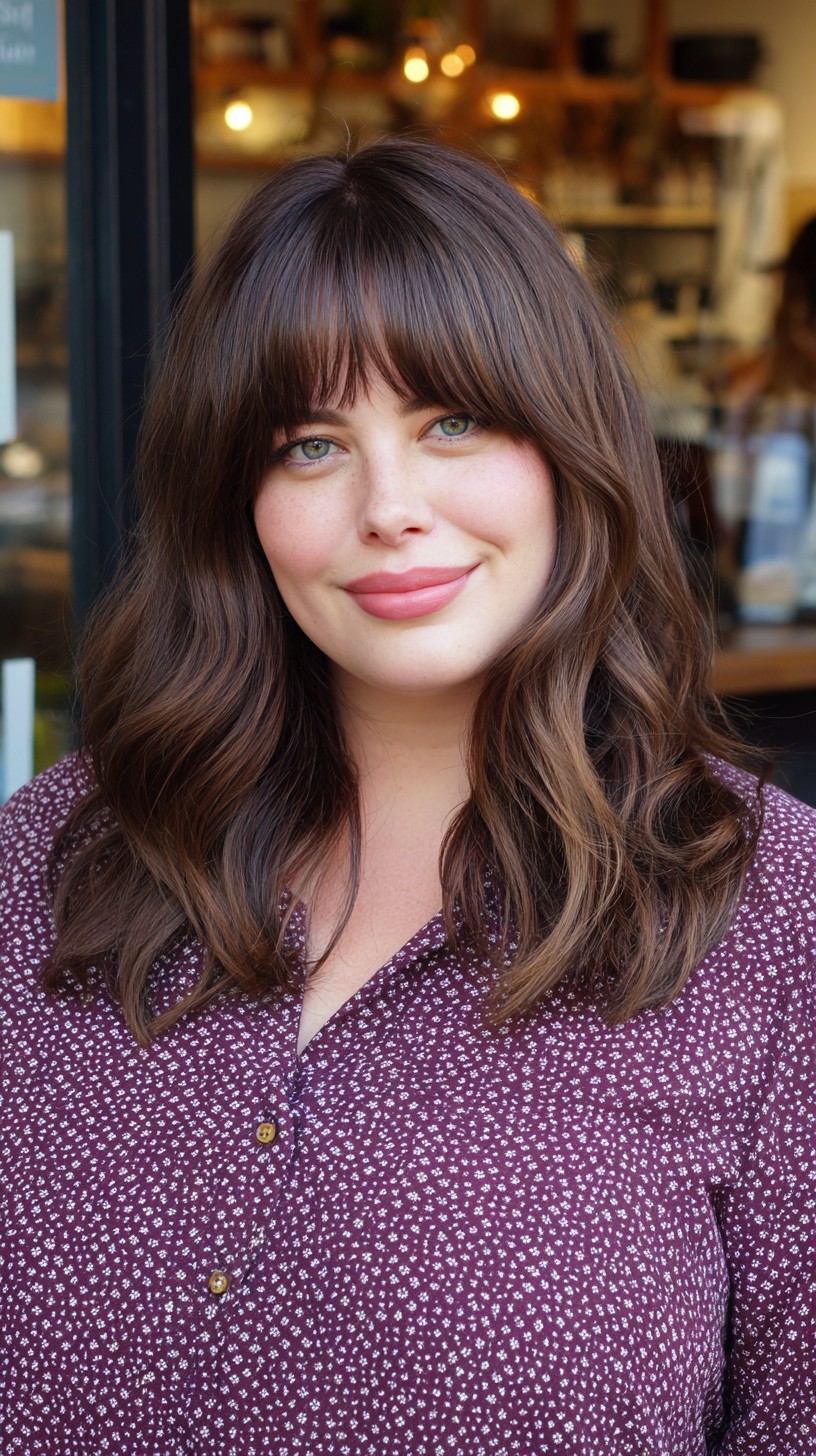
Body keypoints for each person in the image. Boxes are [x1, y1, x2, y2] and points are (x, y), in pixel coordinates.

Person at [1, 136, 814, 1456]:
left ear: (571, 447)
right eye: (311, 446)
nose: (392, 507)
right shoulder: (52, 859)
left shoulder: (772, 918)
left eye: (453, 422)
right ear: (237, 503)